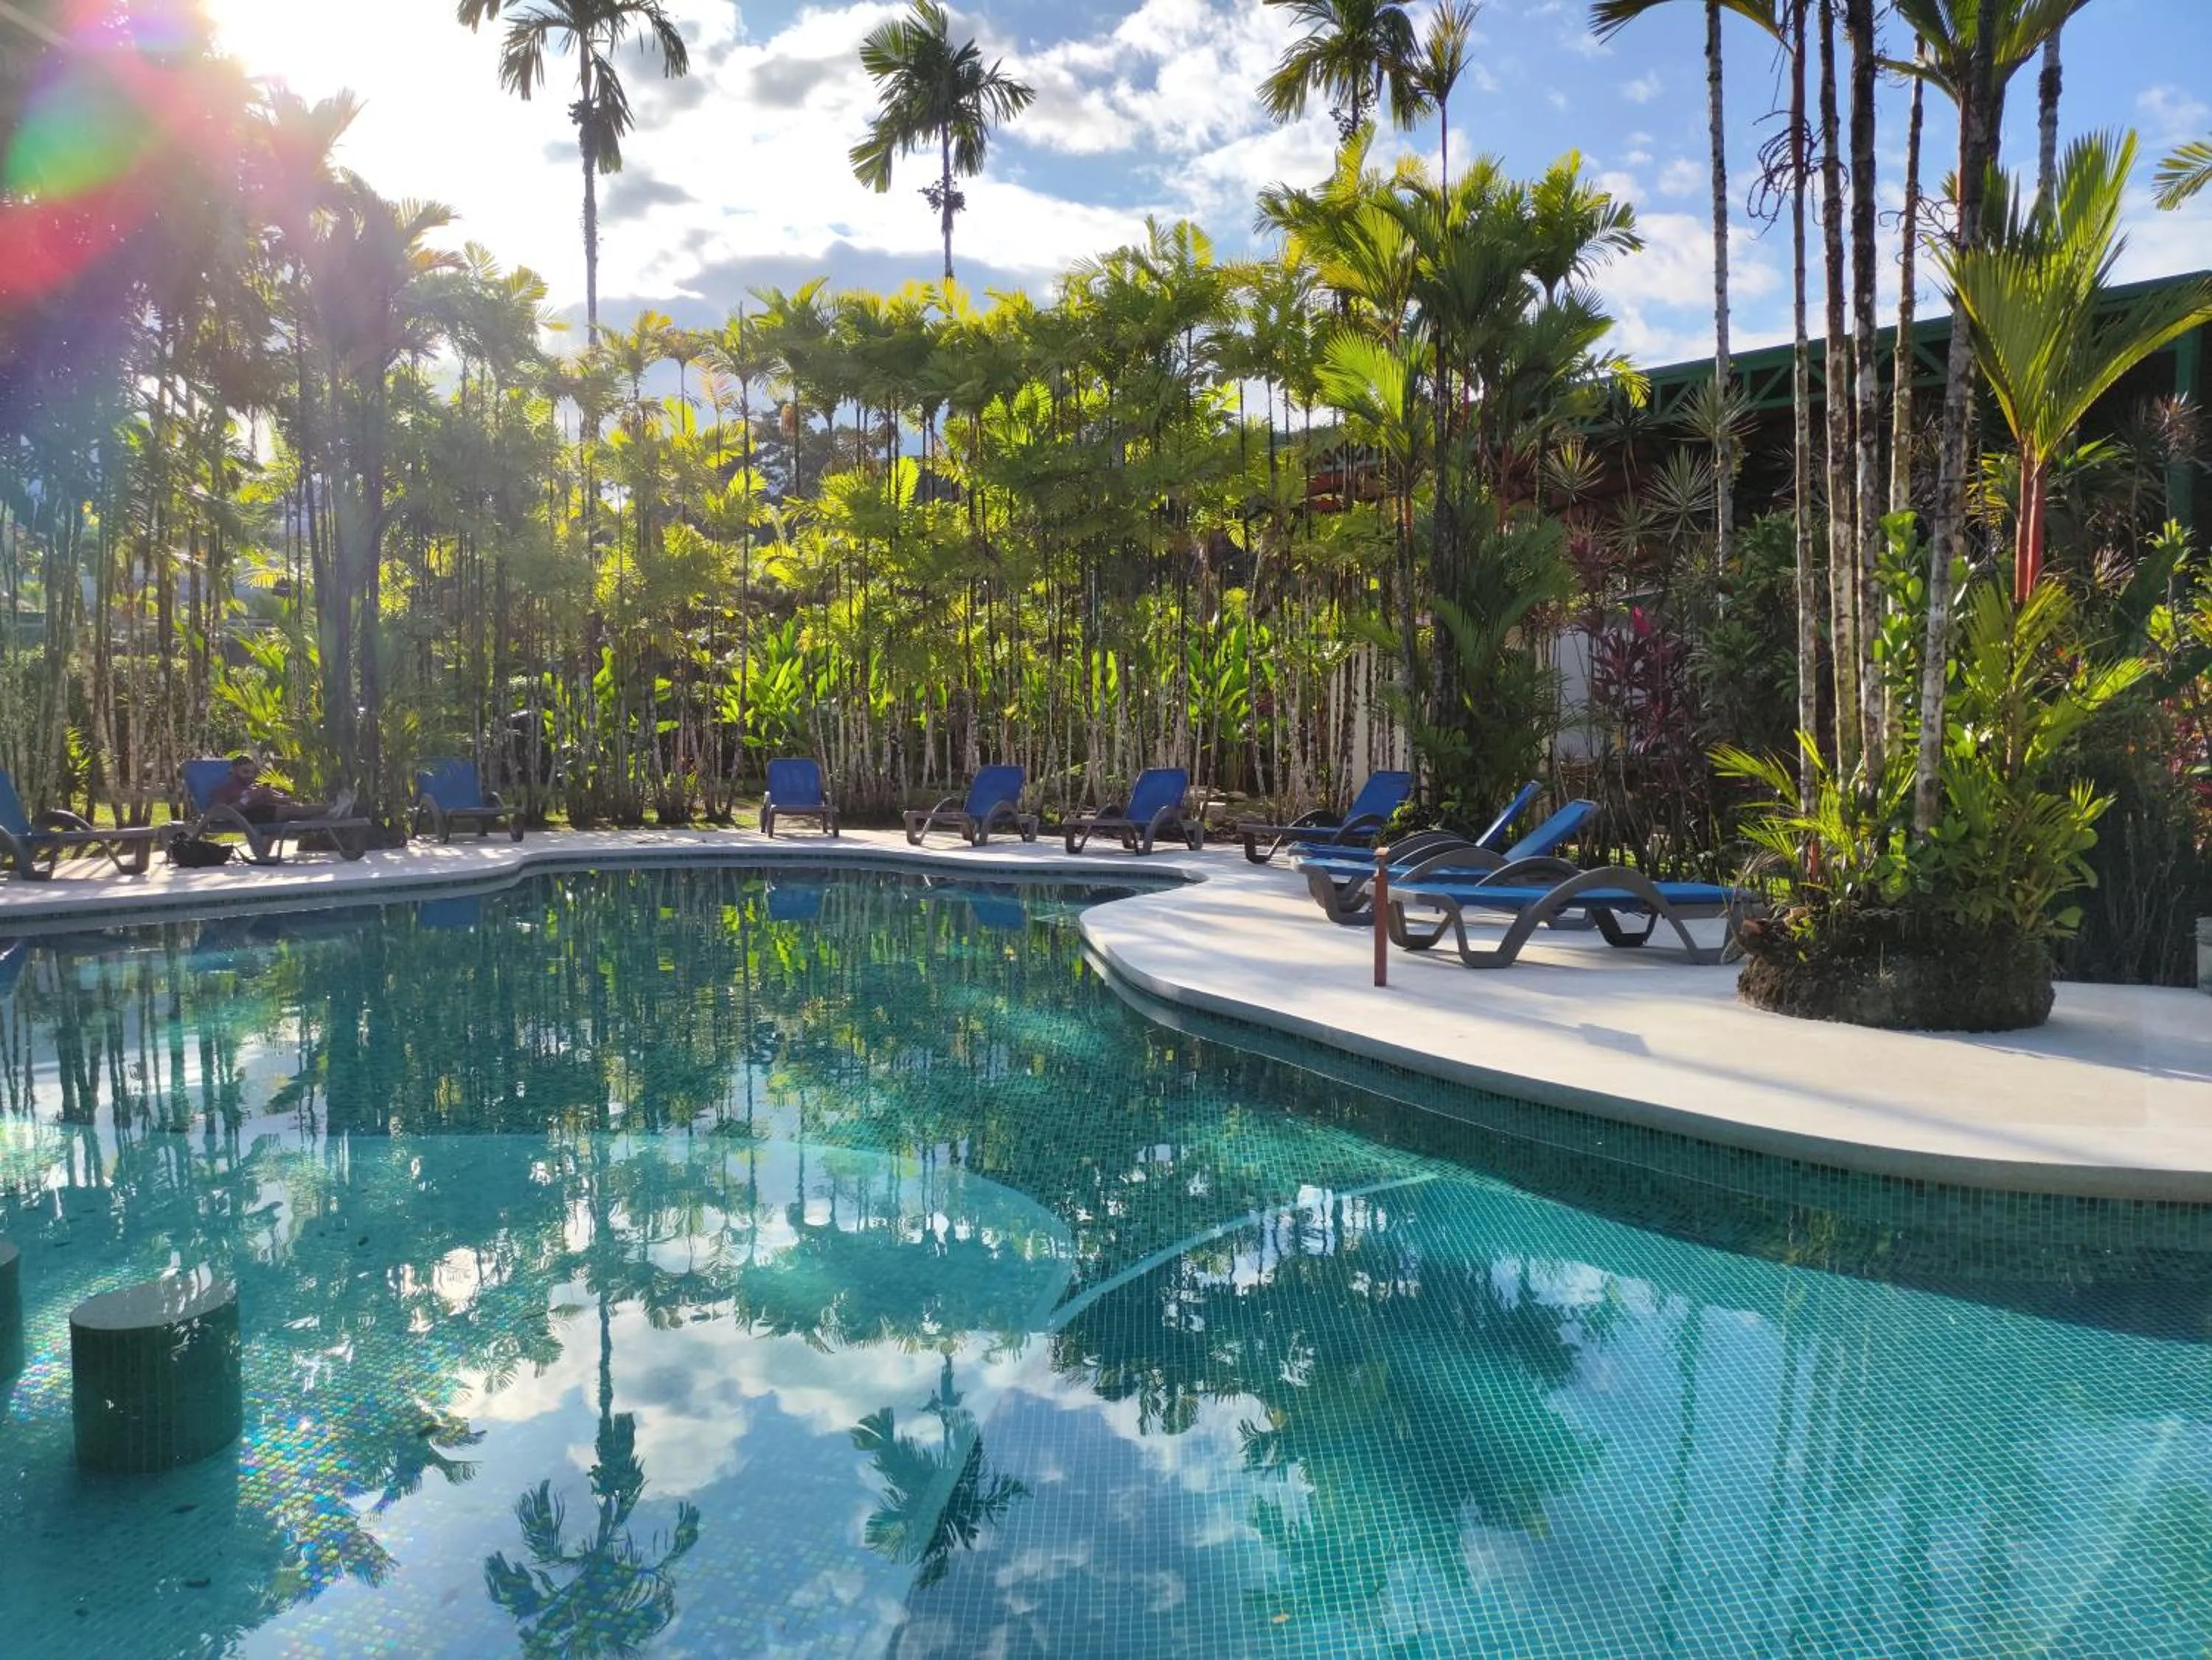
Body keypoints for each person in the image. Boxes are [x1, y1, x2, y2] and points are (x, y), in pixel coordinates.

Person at [207, 755, 353, 825]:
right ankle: (333, 807)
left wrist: (280, 798)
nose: (250, 776)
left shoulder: (252, 787)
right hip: (246, 818)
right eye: (245, 772)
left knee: (291, 807)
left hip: (263, 813)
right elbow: (218, 813)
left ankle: (332, 812)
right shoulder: (224, 789)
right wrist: (247, 799)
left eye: (253, 773)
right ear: (233, 771)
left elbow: (270, 798)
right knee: (285, 811)